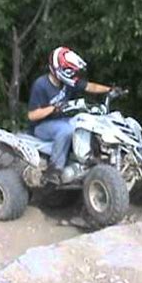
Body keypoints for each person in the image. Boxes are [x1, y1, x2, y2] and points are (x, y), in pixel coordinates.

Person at [28, 46, 112, 183]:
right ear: (58, 69)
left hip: (63, 120)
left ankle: (92, 159)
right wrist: (52, 109)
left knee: (86, 122)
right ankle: (54, 170)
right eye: (70, 71)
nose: (73, 75)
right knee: (67, 130)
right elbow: (32, 115)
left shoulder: (69, 82)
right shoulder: (41, 85)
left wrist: (110, 90)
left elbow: (90, 87)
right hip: (41, 126)